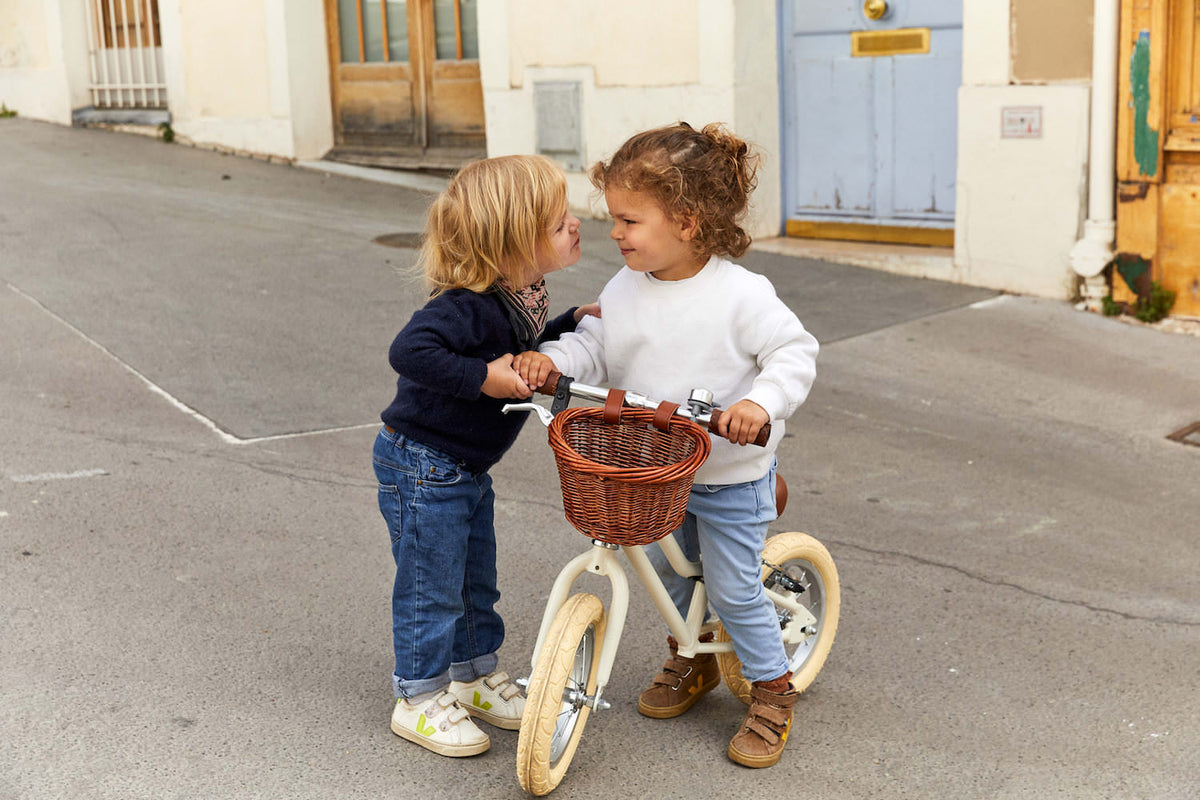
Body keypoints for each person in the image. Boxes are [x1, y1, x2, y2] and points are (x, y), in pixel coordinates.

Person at [514, 122, 819, 768]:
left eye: (629, 220)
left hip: (730, 473)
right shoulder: (625, 290)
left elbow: (793, 353)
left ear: (686, 222)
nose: (615, 233)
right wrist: (552, 360)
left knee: (735, 589)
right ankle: (692, 656)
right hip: (656, 470)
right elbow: (593, 347)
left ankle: (771, 691)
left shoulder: (740, 295)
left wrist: (758, 405)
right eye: (613, 220)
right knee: (668, 580)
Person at [374, 154, 595, 758]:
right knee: (431, 584)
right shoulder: (464, 304)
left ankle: (472, 676)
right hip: (422, 464)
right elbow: (409, 350)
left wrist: (568, 324)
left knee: (475, 580)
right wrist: (480, 379)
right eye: (557, 223)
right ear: (511, 241)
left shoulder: (518, 295)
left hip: (463, 466)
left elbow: (519, 346)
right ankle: (418, 697)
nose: (575, 226)